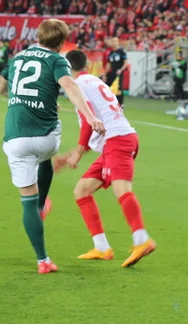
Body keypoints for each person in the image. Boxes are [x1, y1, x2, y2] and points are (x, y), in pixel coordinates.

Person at [2, 20, 104, 274]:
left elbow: (1, 87)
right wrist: (90, 117)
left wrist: (22, 100)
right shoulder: (58, 60)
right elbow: (69, 86)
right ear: (62, 42)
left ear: (38, 35)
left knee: (27, 202)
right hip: (47, 137)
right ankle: (42, 202)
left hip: (15, 137)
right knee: (44, 153)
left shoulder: (18, 58)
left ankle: (42, 260)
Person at [61, 49, 155, 268]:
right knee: (82, 190)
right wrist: (73, 153)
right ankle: (102, 247)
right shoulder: (94, 81)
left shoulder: (78, 86)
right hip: (115, 141)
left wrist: (79, 150)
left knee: (122, 189)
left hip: (118, 141)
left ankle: (142, 240)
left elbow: (88, 120)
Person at [105, 37, 128, 106]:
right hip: (112, 72)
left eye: (115, 41)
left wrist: (121, 70)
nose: (114, 42)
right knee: (111, 88)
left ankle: (121, 104)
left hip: (119, 73)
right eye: (112, 41)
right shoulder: (111, 53)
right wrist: (104, 74)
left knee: (119, 89)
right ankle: (113, 103)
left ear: (118, 42)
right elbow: (108, 64)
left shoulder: (121, 52)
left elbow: (126, 63)